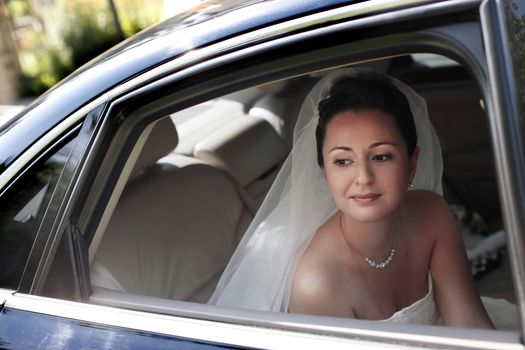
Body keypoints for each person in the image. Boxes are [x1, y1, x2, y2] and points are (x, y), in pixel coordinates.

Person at [209, 68, 494, 328]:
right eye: (343, 161)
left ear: (412, 163)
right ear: (324, 171)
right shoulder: (318, 281)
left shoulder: (433, 214)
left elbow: (469, 324)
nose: (363, 177)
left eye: (381, 156)